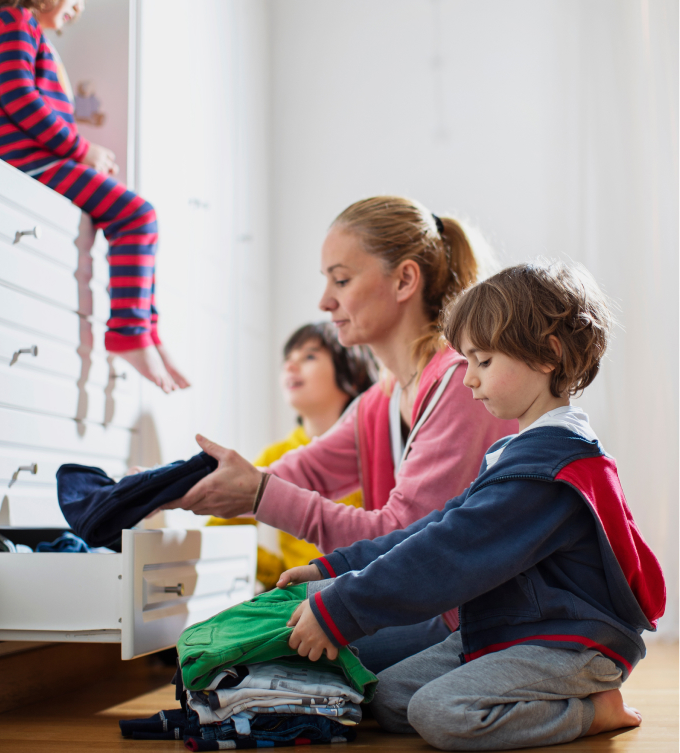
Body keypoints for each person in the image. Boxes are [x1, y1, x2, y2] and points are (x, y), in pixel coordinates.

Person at [277, 260, 666, 750]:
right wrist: (336, 566)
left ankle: (590, 711)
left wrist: (343, 607)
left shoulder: (544, 472)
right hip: (513, 625)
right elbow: (437, 525)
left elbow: (446, 555)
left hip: (568, 639)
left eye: (483, 362)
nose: (468, 380)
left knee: (439, 713)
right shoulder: (516, 453)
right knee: (391, 699)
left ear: (547, 355)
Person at [165, 195, 515, 671]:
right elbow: (303, 469)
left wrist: (258, 495)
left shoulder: (459, 384)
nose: (325, 301)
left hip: (468, 616)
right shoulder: (383, 399)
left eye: (342, 280)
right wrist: (172, 488)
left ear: (405, 280)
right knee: (231, 640)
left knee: (239, 654)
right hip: (421, 600)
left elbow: (404, 537)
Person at [0, 0, 188, 393]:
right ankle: (131, 334)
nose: (79, 4)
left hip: (34, 163)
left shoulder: (27, 33)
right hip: (27, 164)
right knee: (137, 215)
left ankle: (145, 330)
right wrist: (81, 150)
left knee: (135, 218)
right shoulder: (14, 22)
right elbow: (19, 100)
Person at [208, 322, 377, 591]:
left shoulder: (379, 448)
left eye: (309, 356)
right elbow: (219, 530)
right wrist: (278, 572)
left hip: (369, 591)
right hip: (302, 597)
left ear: (353, 372)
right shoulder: (276, 454)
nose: (290, 366)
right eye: (288, 359)